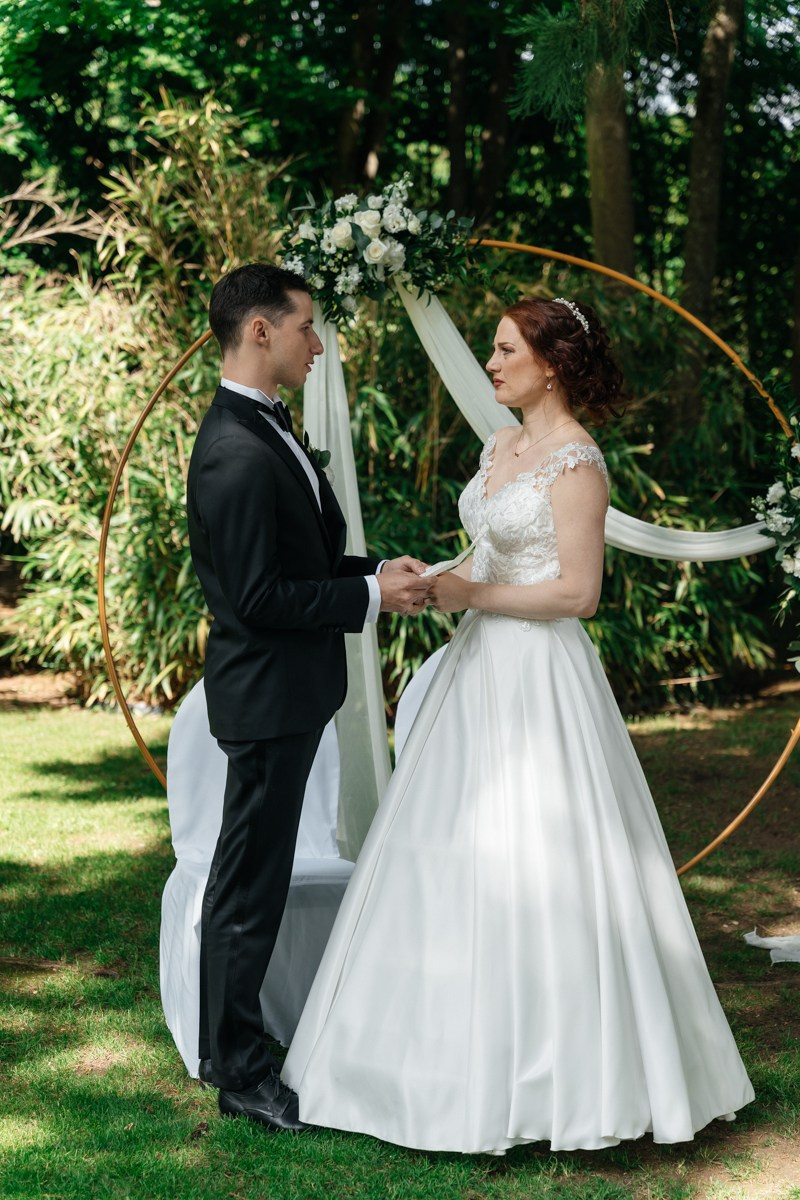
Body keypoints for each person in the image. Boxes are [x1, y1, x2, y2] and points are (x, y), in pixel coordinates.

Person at [281, 296, 755, 1153]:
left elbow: (578, 592)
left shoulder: (577, 462)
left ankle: (567, 1078)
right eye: (492, 350)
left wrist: (474, 595)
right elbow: (494, 553)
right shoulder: (501, 445)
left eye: (504, 350)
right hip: (477, 667)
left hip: (540, 676)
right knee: (447, 849)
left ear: (554, 362)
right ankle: (417, 1065)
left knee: (550, 855)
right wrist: (440, 578)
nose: (491, 363)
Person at [186, 263, 431, 1132]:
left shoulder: (265, 432)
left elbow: (300, 568)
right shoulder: (232, 451)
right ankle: (238, 1067)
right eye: (305, 327)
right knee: (248, 885)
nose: (316, 342)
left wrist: (374, 572)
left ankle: (236, 1047)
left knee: (255, 873)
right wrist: (367, 602)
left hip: (290, 695)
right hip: (266, 700)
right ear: (260, 331)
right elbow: (255, 599)